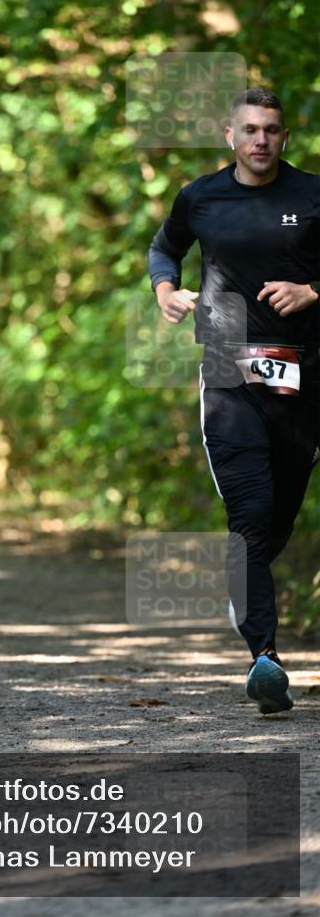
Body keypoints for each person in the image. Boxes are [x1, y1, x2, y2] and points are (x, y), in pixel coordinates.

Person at [149, 88, 319, 715]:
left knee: (277, 517)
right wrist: (165, 288)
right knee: (249, 511)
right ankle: (265, 658)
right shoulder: (200, 197)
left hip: (302, 376)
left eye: (271, 130)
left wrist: (312, 292)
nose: (260, 140)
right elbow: (163, 247)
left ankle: (244, 589)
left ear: (284, 137)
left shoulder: (312, 195)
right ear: (230, 135)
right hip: (226, 369)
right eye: (249, 129)